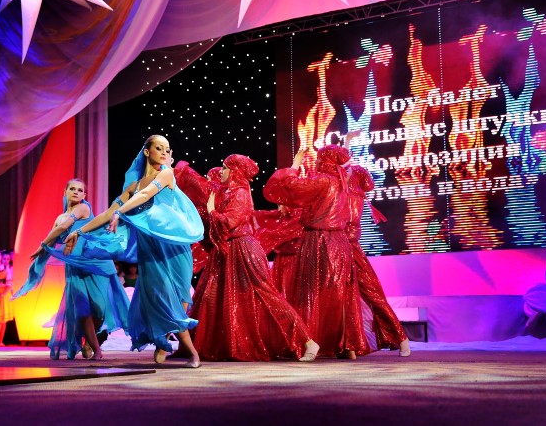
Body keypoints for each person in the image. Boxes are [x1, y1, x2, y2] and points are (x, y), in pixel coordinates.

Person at [64, 135, 204, 368]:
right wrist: (79, 232)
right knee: (158, 295)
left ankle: (172, 343)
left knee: (179, 297)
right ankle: (188, 351)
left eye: (167, 148)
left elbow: (146, 195)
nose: (164, 152)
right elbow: (106, 214)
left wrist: (121, 212)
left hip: (173, 248)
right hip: (150, 250)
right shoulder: (134, 186)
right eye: (158, 147)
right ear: (147, 152)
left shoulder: (166, 174)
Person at [185, 154, 320, 361]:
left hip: (243, 249)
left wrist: (212, 212)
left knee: (268, 296)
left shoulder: (240, 192)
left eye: (225, 168)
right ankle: (208, 345)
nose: (221, 171)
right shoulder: (230, 192)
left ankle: (308, 342)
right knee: (214, 297)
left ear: (235, 171)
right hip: (229, 250)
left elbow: (230, 221)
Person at [264, 147, 370, 359]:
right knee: (338, 294)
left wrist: (294, 166)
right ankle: (346, 346)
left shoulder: (324, 181)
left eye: (320, 158)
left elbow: (290, 188)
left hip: (319, 239)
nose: (318, 162)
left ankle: (309, 344)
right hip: (340, 242)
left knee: (310, 293)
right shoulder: (343, 183)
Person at [14, 178, 130, 360]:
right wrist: (41, 252)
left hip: (95, 262)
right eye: (72, 189)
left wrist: (41, 245)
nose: (76, 192)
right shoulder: (60, 217)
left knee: (99, 308)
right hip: (74, 266)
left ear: (84, 195)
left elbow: (62, 228)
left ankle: (89, 341)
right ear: (65, 192)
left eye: (80, 190)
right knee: (82, 309)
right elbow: (53, 236)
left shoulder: (83, 208)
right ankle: (96, 350)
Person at [339, 147, 411, 356]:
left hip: (349, 249)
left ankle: (401, 338)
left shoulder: (353, 196)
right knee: (342, 299)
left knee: (372, 295)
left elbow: (348, 227)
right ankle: (349, 346)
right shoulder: (341, 192)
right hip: (338, 248)